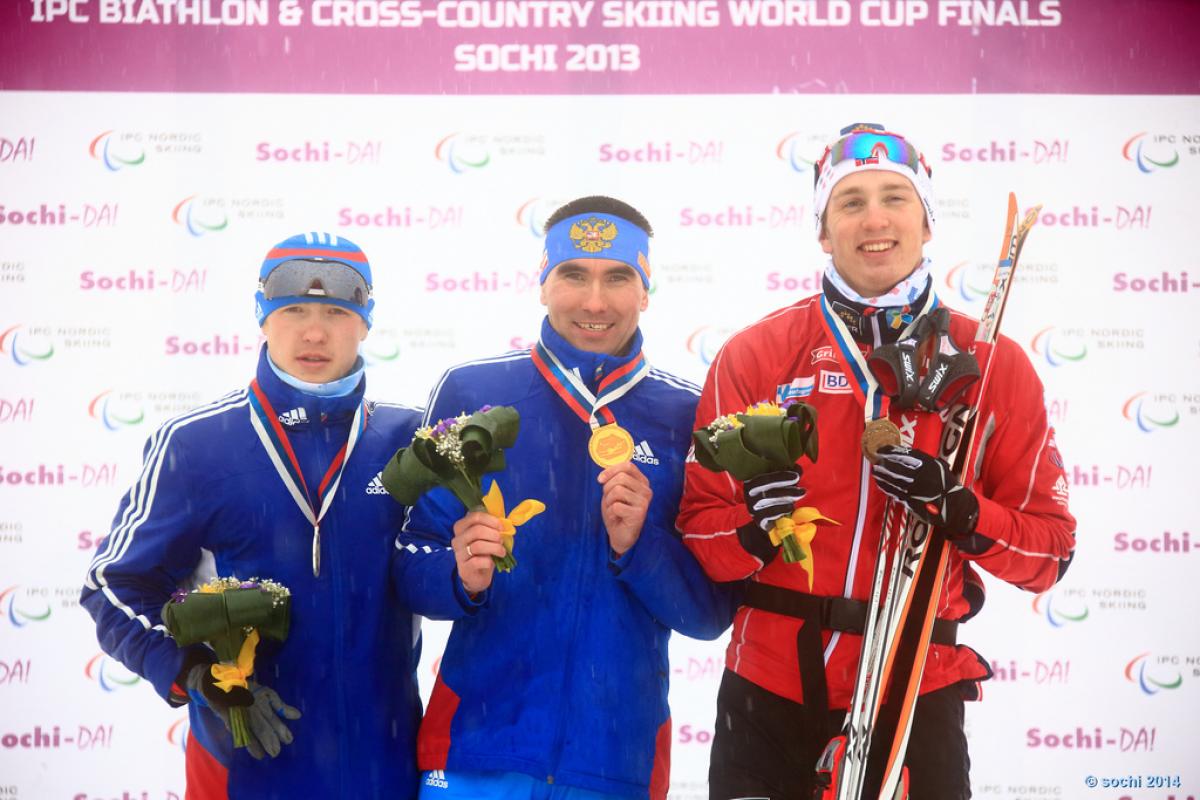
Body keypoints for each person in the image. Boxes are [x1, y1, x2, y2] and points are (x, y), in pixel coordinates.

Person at [676, 124, 1077, 800]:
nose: (875, 218)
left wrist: (961, 509)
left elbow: (1050, 554)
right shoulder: (758, 354)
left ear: (926, 222)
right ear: (823, 232)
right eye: (849, 201)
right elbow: (699, 530)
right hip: (770, 689)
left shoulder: (991, 363)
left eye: (895, 196)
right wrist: (751, 528)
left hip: (918, 683)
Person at [395, 196, 736, 800]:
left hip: (616, 764)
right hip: (475, 754)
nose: (595, 301)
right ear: (544, 285)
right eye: (574, 275)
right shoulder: (473, 391)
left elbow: (708, 615)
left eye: (618, 278)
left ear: (646, 289)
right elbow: (407, 563)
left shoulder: (688, 414)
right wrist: (459, 575)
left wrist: (639, 546)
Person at [81, 232, 423, 799]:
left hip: (383, 764)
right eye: (292, 310)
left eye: (338, 311)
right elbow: (114, 586)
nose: (314, 332)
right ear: (261, 317)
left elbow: (444, 569)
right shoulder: (198, 445)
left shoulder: (405, 439)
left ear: (367, 322)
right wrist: (194, 673)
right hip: (241, 762)